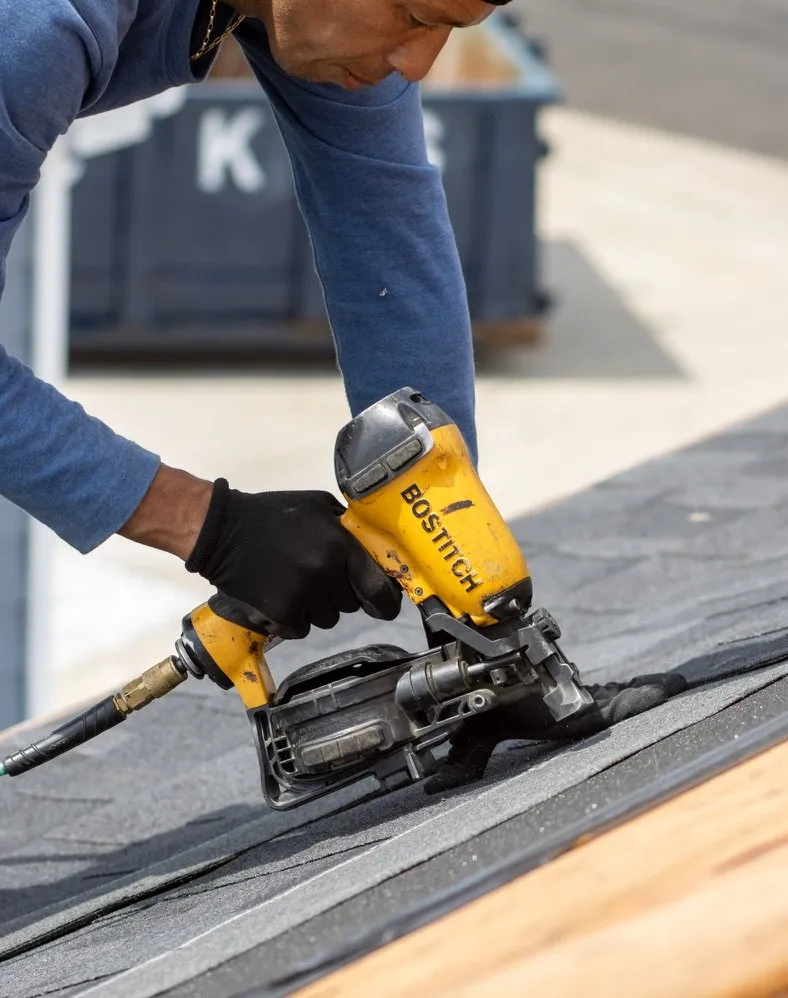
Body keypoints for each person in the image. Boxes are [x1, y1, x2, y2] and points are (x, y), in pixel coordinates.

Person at [0, 0, 507, 638]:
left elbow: (386, 233)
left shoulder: (315, 18)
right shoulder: (36, 24)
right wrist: (210, 526)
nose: (419, 62)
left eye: (450, 29)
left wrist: (463, 584)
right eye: (412, 15)